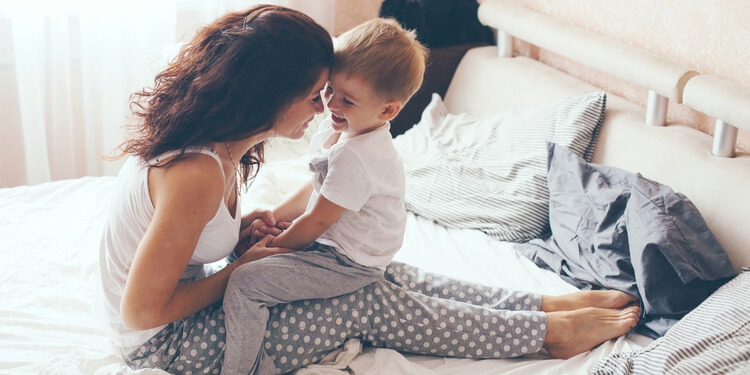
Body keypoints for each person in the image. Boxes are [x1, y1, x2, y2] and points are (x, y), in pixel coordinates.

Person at [95, 5, 641, 375]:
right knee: (364, 299)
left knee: (383, 273)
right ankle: (544, 336)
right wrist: (243, 268)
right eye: (315, 95)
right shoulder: (195, 172)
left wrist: (239, 233)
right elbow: (143, 312)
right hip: (165, 344)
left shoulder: (216, 145)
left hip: (176, 320)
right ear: (268, 95)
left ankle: (542, 305)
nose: (323, 111)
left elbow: (183, 238)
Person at [221, 18, 428, 375]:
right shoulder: (342, 131)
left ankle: (244, 369)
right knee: (253, 242)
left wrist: (274, 246)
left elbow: (317, 219)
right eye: (330, 89)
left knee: (244, 282)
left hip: (350, 263)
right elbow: (318, 189)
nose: (330, 103)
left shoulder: (357, 155)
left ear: (387, 110)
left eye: (347, 100)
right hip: (333, 241)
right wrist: (273, 216)